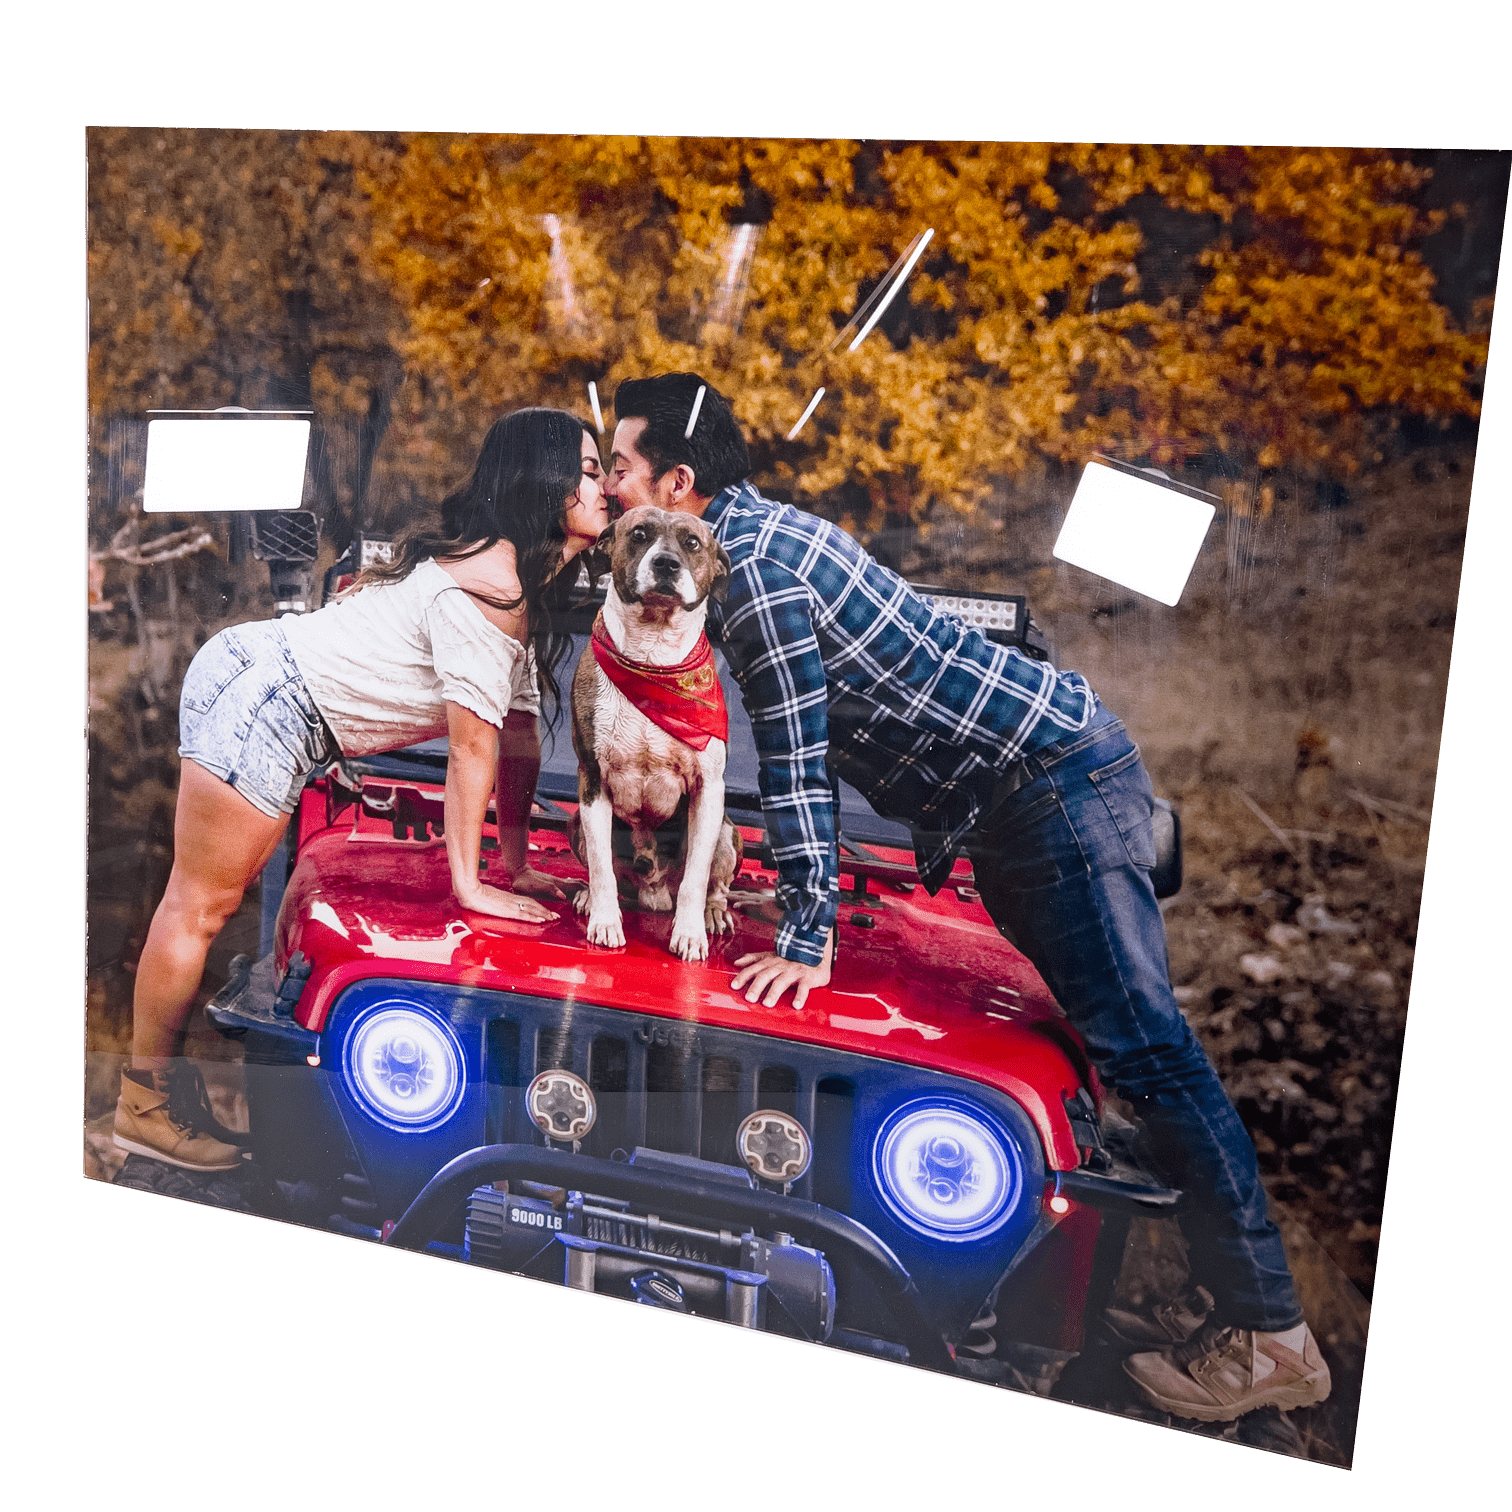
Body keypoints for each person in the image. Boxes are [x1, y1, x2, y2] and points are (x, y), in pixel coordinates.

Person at [604, 372, 1331, 1423]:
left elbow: (798, 760)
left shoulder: (753, 572)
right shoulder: (760, 540)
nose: (609, 485)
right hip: (1023, 794)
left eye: (619, 467)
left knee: (1144, 1048)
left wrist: (807, 932)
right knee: (1133, 1044)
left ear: (677, 482)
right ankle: (1238, 1307)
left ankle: (1271, 1333)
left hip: (1051, 787)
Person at [115, 408, 609, 1174]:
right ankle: (141, 1110)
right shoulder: (490, 589)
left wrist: (514, 864)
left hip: (276, 691)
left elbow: (513, 739)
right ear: (545, 479)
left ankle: (160, 1099)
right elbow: (471, 748)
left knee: (204, 906)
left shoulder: (513, 584)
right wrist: (472, 885)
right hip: (271, 697)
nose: (606, 487)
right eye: (589, 469)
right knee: (200, 907)